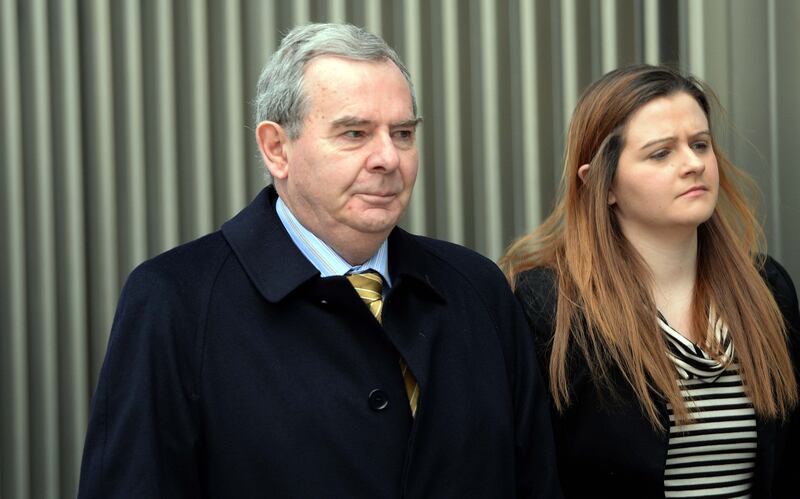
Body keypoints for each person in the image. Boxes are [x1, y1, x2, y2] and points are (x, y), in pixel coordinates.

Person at [77, 23, 560, 498]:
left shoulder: (477, 289)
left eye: (402, 133)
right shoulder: (175, 302)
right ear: (276, 149)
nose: (388, 158)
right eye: (355, 133)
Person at [500, 65, 799, 498]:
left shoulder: (766, 287)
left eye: (700, 144)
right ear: (602, 185)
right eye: (661, 153)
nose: (693, 164)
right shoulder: (551, 306)